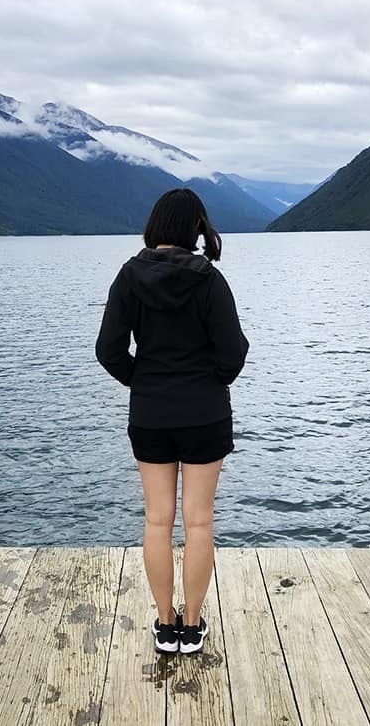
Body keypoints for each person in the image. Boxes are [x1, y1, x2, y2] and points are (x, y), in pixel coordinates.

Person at [95, 188, 249, 655]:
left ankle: (165, 624)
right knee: (199, 522)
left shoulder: (128, 277)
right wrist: (208, 381)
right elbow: (234, 353)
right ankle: (193, 625)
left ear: (156, 224)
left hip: (151, 413)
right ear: (194, 227)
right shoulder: (209, 280)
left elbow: (108, 351)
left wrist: (143, 381)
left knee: (157, 520)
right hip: (204, 413)